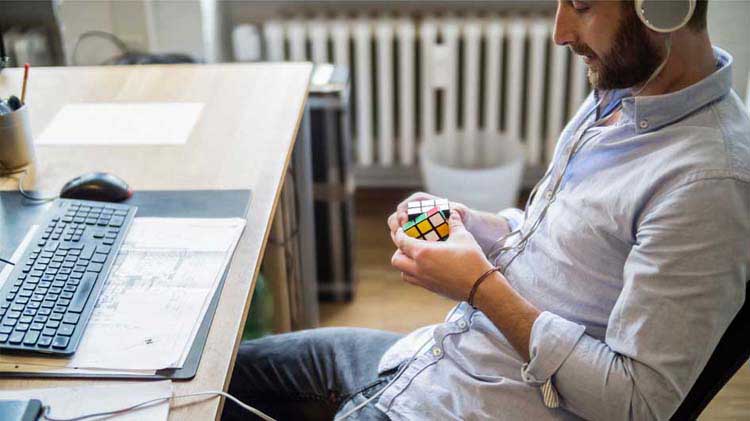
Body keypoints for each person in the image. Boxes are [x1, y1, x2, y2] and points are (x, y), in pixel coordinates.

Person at [224, 1, 750, 419]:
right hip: (433, 361)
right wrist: (481, 227)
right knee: (213, 373)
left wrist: (477, 286)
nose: (561, 33)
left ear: (664, 7)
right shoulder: (625, 92)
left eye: (583, 6)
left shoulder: (706, 184)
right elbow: (569, 245)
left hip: (482, 404)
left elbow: (637, 403)